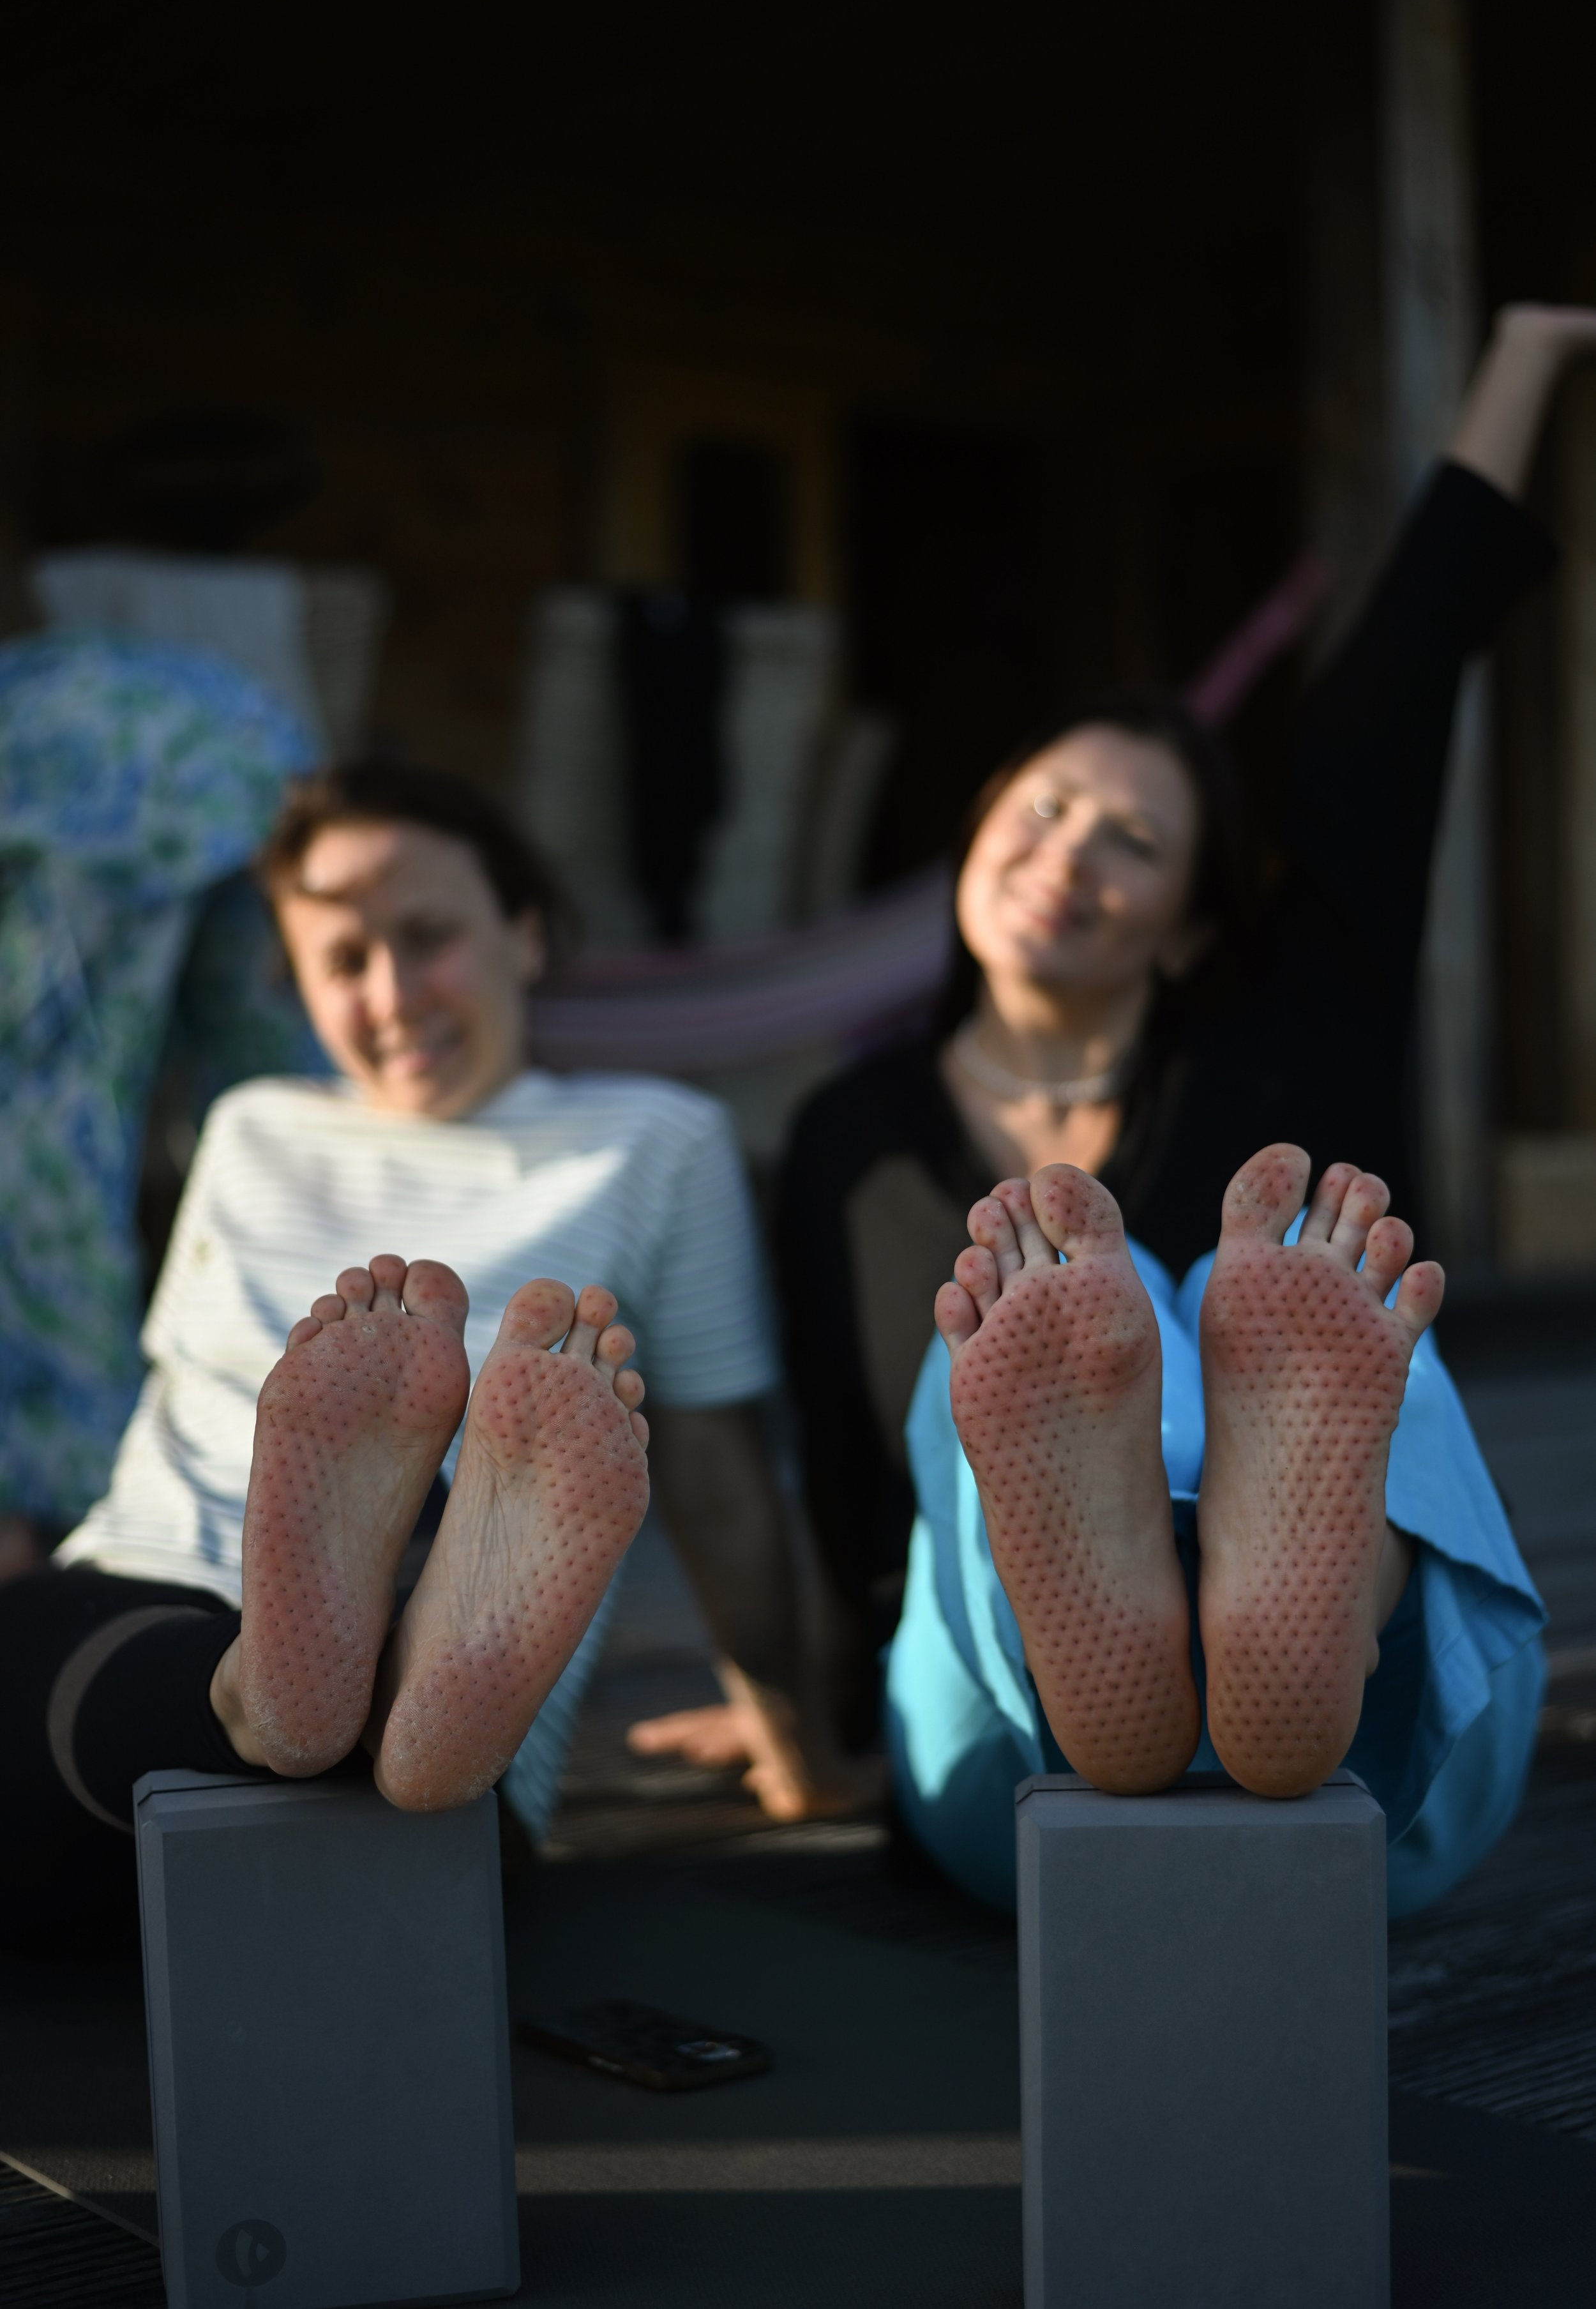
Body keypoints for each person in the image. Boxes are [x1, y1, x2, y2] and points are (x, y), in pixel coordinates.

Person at [767, 303, 1596, 1735]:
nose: (1067, 855)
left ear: (1194, 928)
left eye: (1131, 845)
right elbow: (846, 1484)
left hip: (1347, 1727)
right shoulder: (848, 1134)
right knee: (994, 1365)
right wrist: (813, 1705)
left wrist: (1526, 347)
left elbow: (1387, 700)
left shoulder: (1277, 1049)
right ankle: (1103, 1642)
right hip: (1000, 1704)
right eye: (1042, 808)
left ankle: (1299, 1600)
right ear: (971, 834)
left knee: (1231, 1293)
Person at [1, 759, 840, 1951]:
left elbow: (714, 1471)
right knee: (105, 1666)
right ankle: (292, 1688)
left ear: (527, 931)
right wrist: (807, 1762)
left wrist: (785, 1726)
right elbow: (164, 1408)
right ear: (297, 979)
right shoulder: (248, 1127)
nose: (392, 993)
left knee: (94, 1698)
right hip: (168, 1604)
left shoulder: (652, 1139)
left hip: (376, 1691)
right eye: (342, 958)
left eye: (429, 935)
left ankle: (349, 1663)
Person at [887, 1146, 1545, 1917]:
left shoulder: (871, 1143)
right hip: (1384, 1844)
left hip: (1019, 1836)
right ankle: (1367, 1598)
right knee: (1360, 1282)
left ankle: (1069, 1614)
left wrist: (791, 1735)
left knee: (980, 1339)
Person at [0, 625, 321, 1580]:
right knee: (272, 1124)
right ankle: (280, 1469)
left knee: (53, 1132)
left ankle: (59, 1507)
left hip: (116, 788)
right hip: (243, 751)